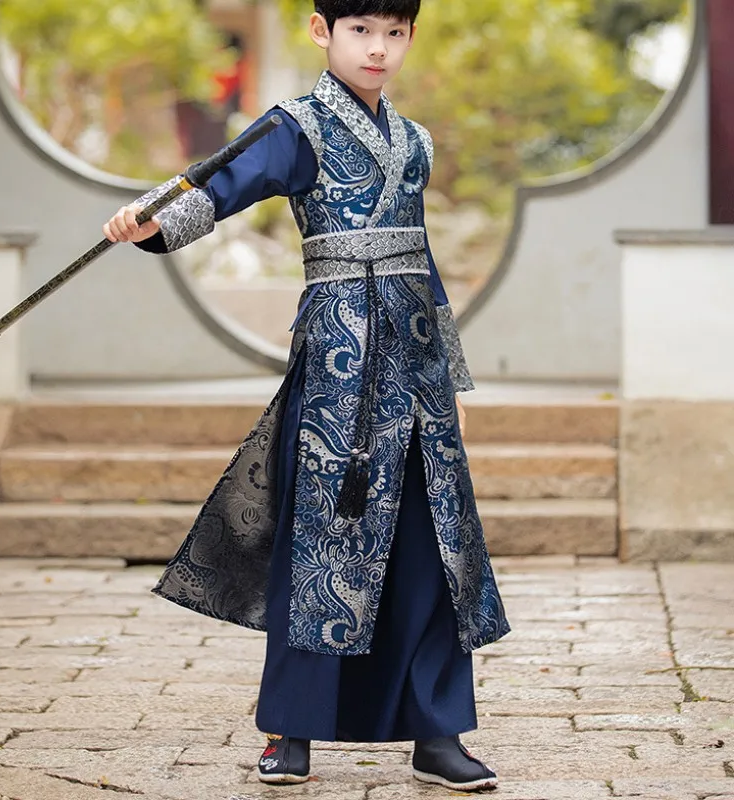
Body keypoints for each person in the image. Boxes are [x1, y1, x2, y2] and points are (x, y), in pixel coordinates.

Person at [103, 0, 510, 791]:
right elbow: (222, 185)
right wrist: (150, 224)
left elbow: (423, 267)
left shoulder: (414, 143)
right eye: (362, 30)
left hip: (417, 371)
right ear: (323, 32)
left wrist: (453, 379)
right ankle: (290, 732)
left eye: (394, 33)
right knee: (319, 544)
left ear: (409, 38)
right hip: (337, 367)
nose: (379, 49)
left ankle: (437, 732)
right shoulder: (295, 128)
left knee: (431, 549)